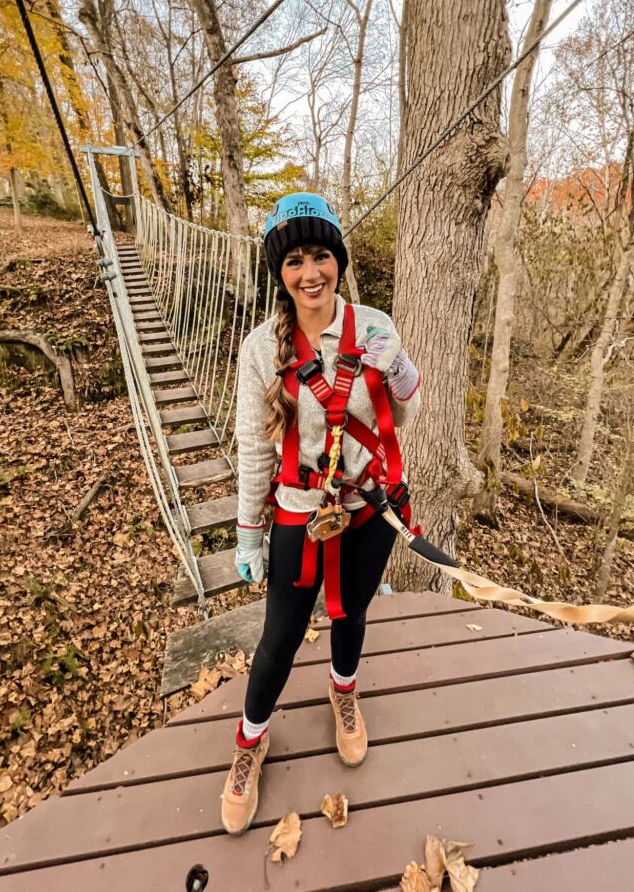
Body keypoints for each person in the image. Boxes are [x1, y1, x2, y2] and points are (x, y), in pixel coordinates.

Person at [221, 192, 421, 836]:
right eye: (296, 261)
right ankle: (250, 743)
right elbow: (255, 447)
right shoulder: (260, 351)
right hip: (298, 514)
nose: (311, 273)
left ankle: (343, 693)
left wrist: (403, 374)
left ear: (339, 260)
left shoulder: (374, 325)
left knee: (351, 614)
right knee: (279, 635)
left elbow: (403, 419)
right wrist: (250, 533)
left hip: (366, 506)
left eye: (322, 256)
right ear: (279, 273)